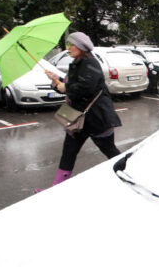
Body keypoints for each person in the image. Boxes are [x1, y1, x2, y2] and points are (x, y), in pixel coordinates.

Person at [35, 32, 122, 193]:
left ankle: (127, 175)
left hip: (97, 118)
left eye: (71, 45)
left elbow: (85, 88)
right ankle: (56, 189)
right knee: (68, 152)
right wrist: (55, 80)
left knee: (110, 151)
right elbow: (71, 86)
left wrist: (65, 87)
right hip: (78, 119)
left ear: (81, 47)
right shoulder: (77, 62)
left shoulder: (91, 64)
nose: (68, 48)